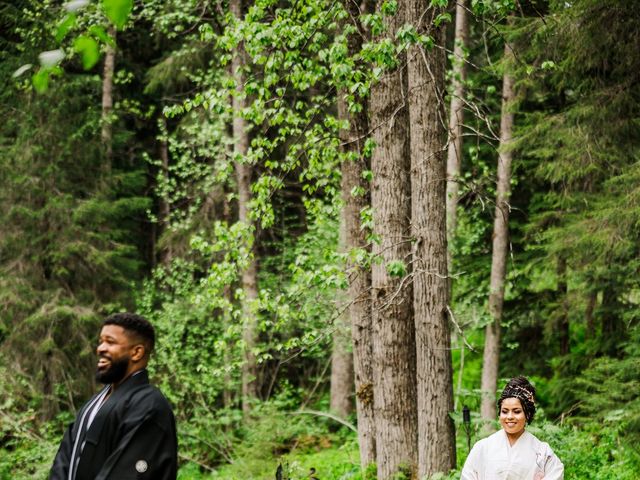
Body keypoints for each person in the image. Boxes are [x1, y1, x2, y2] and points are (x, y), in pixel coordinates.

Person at [49, 313, 178, 480]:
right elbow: (64, 458)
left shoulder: (150, 405)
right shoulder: (94, 403)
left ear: (136, 352)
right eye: (101, 341)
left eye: (110, 342)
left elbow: (130, 473)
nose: (100, 348)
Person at [461, 376, 564, 480]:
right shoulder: (482, 448)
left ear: (527, 414)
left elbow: (555, 475)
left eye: (517, 411)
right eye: (505, 411)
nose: (509, 417)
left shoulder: (542, 453)